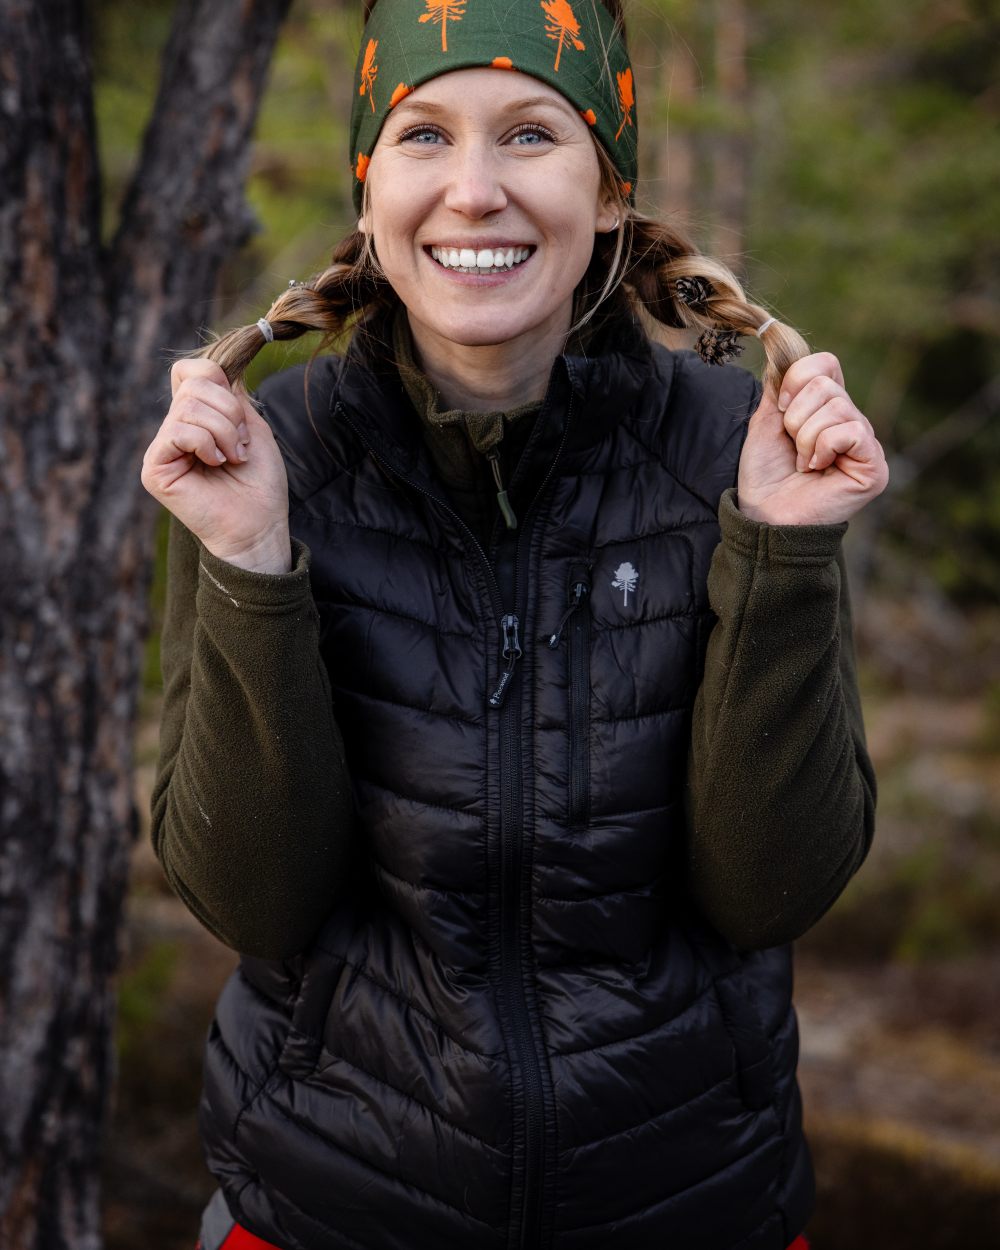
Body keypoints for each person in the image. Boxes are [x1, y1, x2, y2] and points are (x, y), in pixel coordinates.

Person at [141, 1, 887, 1247]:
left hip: (689, 1204)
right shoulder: (272, 459)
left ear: (608, 194)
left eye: (531, 133)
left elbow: (772, 889)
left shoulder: (736, 453)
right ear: (370, 191)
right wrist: (250, 560)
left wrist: (787, 549)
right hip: (328, 1204)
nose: (472, 191)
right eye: (424, 136)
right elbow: (250, 902)